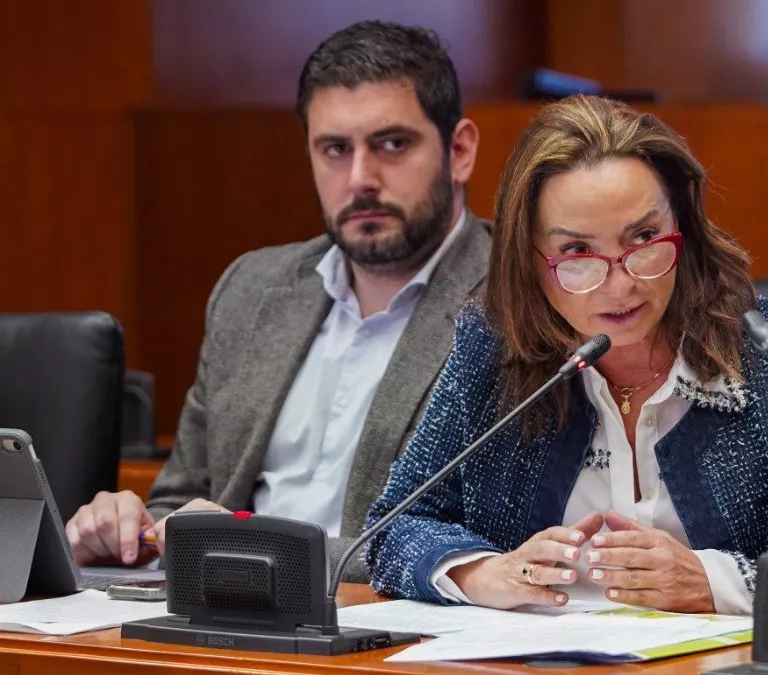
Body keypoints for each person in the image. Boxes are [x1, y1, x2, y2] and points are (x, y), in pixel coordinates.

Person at [363, 95, 768, 615]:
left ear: (683, 230)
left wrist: (715, 584)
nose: (620, 285)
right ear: (528, 260)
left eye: (644, 237)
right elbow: (391, 529)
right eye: (577, 252)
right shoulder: (492, 352)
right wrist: (484, 573)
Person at [64, 20, 489, 582]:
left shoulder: (516, 301)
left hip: (388, 637)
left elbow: (493, 544)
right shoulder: (252, 288)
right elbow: (182, 499)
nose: (361, 178)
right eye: (335, 149)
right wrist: (129, 530)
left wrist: (251, 546)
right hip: (217, 622)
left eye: (392, 144)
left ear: (459, 151)